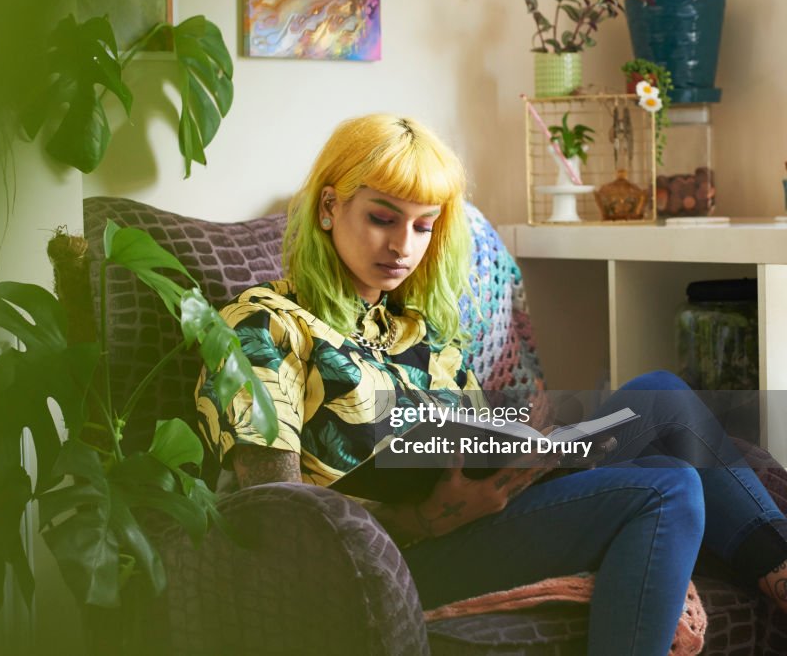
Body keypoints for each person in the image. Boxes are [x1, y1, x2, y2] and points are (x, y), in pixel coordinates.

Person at [194, 113, 787, 654]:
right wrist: (425, 518)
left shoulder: (421, 331)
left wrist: (530, 449)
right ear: (328, 208)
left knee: (663, 398)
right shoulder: (261, 324)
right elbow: (274, 512)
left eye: (424, 227)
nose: (403, 246)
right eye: (382, 218)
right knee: (670, 488)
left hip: (483, 519)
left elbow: (472, 440)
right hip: (397, 556)